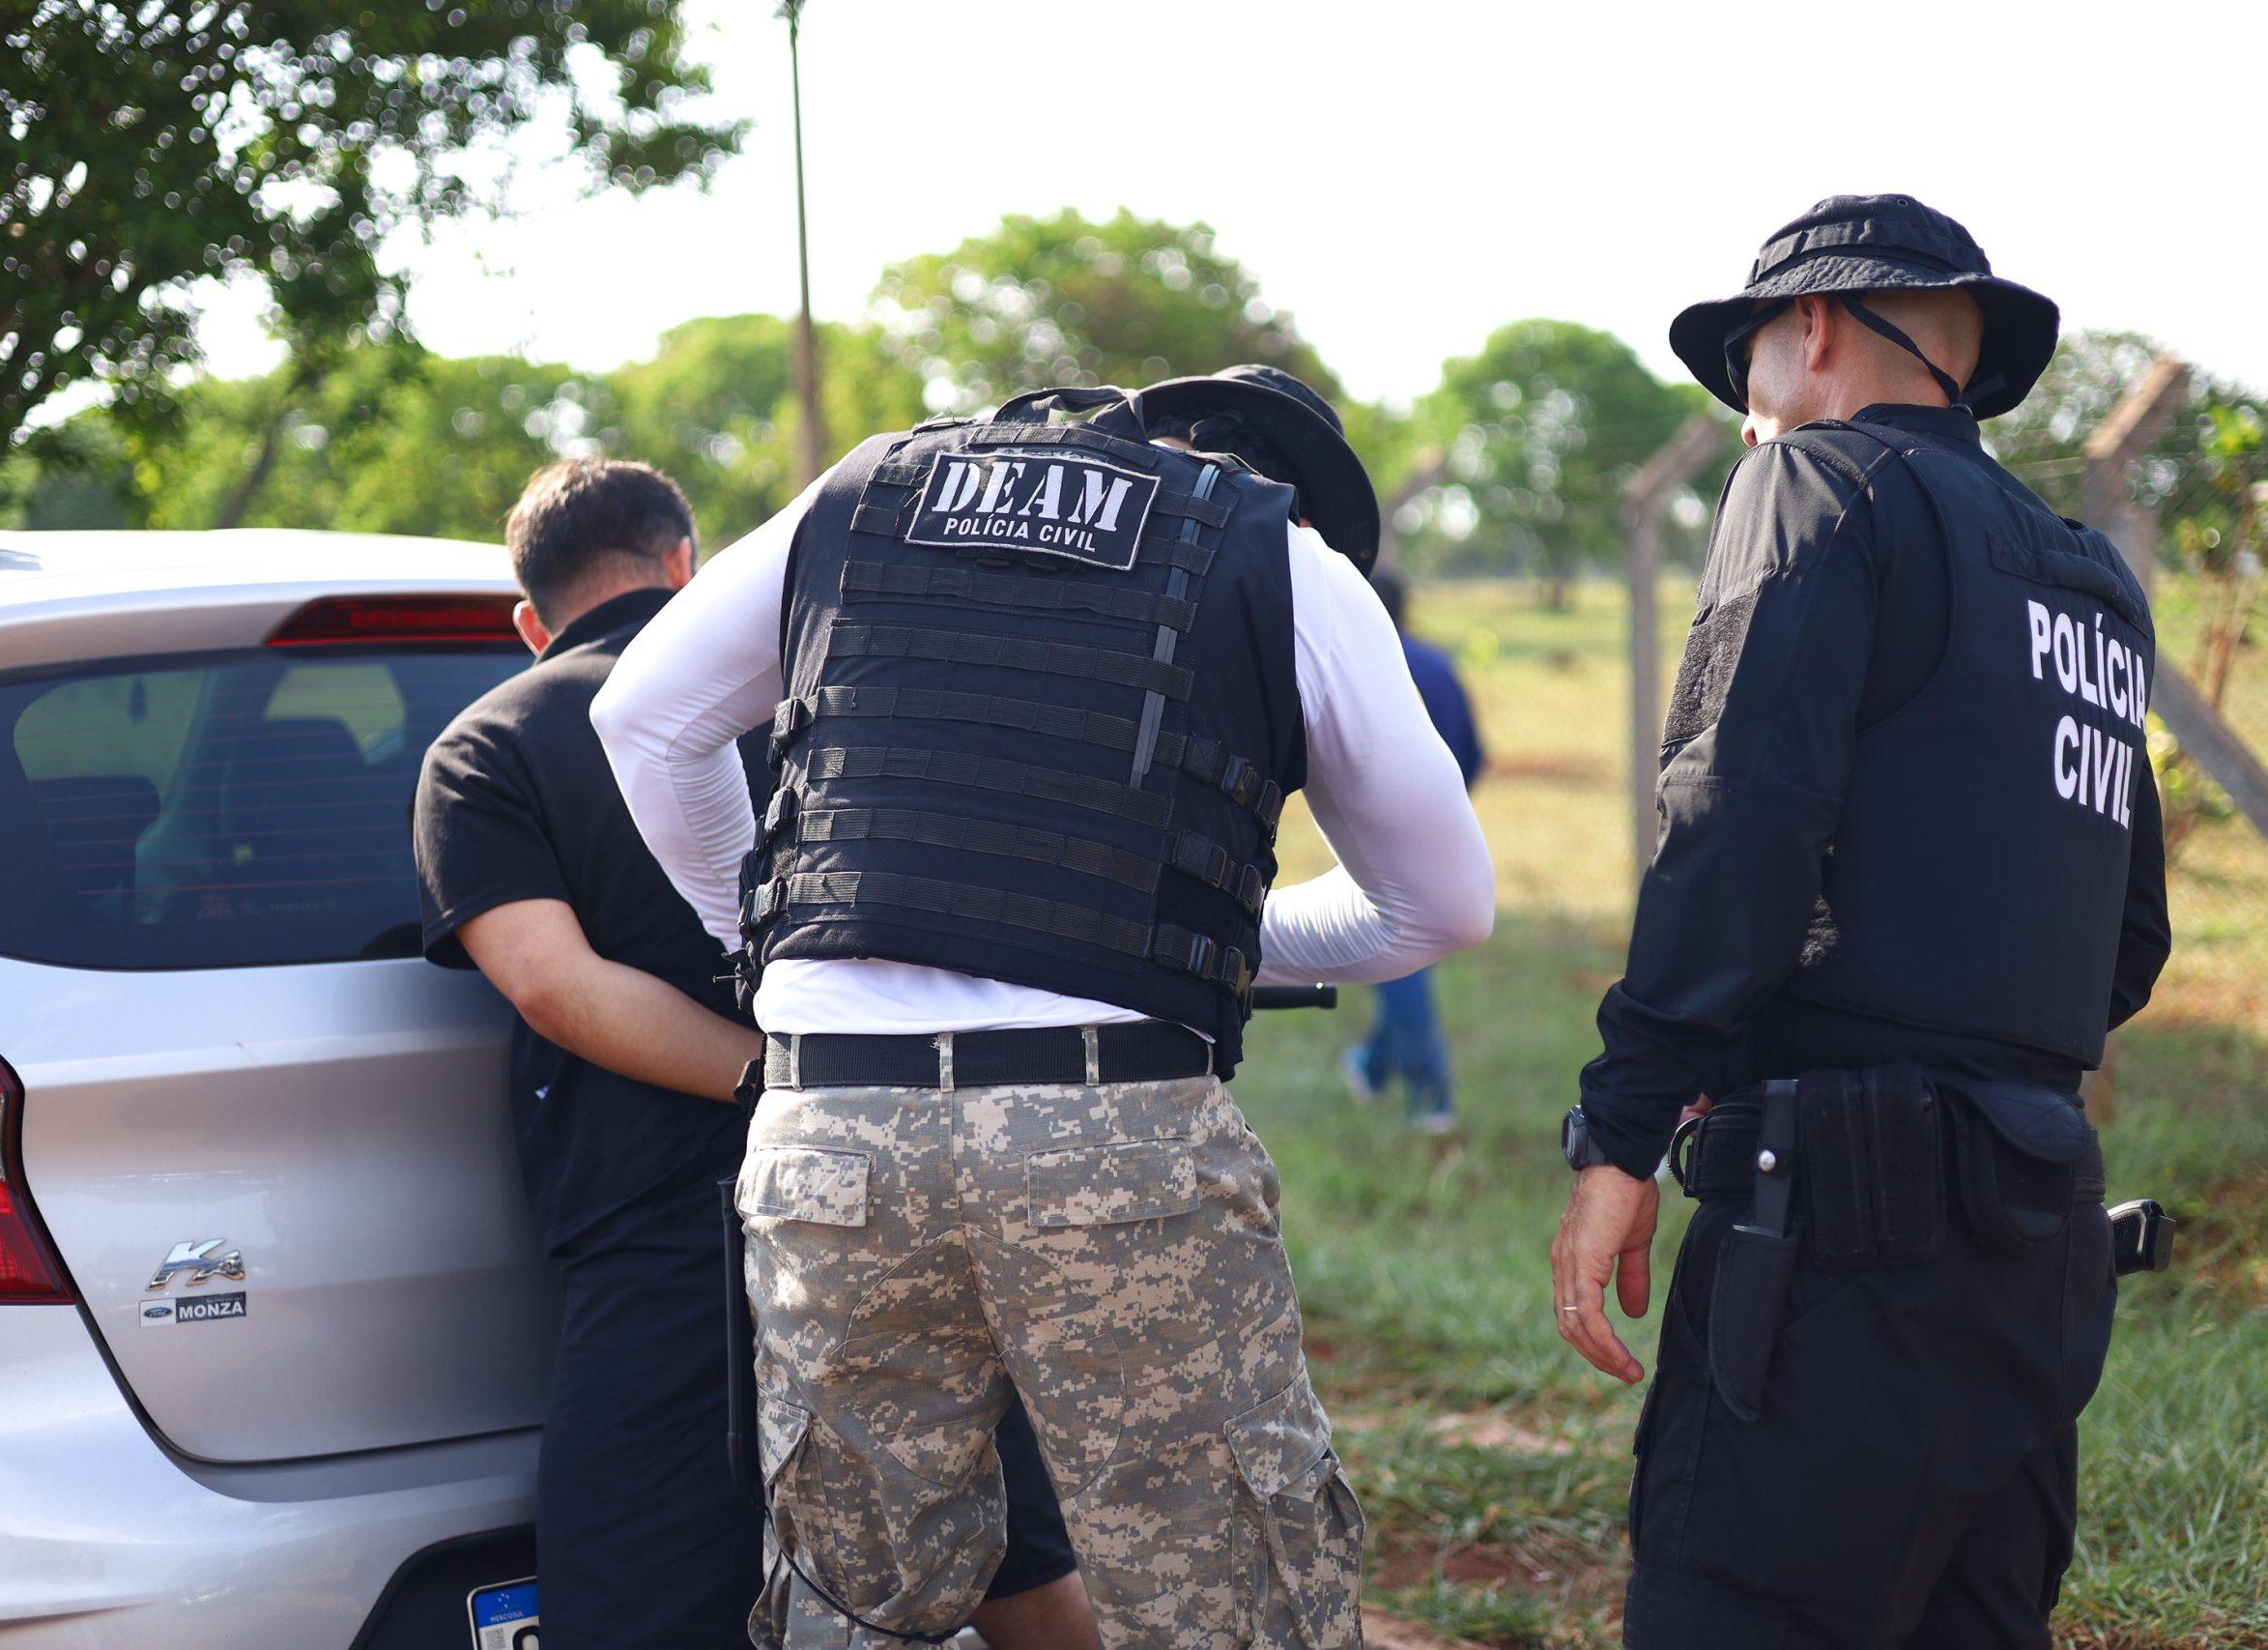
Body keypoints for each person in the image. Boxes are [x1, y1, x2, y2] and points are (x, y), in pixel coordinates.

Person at [593, 366, 1494, 1647]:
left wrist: (769, 936)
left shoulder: (864, 493)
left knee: (856, 1600)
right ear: (1280, 490)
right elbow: (1443, 905)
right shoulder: (1279, 554)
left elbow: (641, 717)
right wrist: (1197, 943)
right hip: (1110, 1137)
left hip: (833, 1134)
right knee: (1223, 1597)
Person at [1546, 195, 2172, 1648]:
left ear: (1815, 323)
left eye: (1748, 355)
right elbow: (2127, 932)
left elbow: (1734, 817)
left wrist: (1625, 1129)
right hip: (2039, 1228)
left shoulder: (1816, 481)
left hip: (1835, 1222)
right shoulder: (2088, 579)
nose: (1745, 403)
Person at [415, 458, 1095, 1650]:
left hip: (676, 1232)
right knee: (1007, 1558)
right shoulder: (833, 700)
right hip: (907, 1177)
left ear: (530, 620)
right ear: (686, 565)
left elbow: (555, 986)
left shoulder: (488, 747)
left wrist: (767, 1080)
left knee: (637, 1592)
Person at [1341, 568, 1483, 1133]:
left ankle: (1431, 1095)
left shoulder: (1363, 668)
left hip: (1380, 834)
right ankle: (1373, 1067)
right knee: (1407, 954)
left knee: (1396, 958)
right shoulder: (1438, 664)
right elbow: (1476, 752)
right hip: (1447, 827)